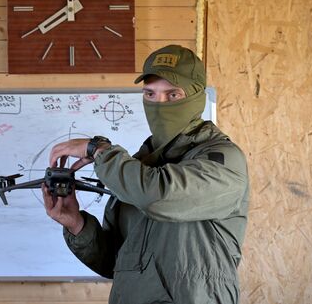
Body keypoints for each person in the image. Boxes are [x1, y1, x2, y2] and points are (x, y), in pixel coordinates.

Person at [43, 45, 249, 304]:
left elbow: (159, 196)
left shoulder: (221, 160)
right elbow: (117, 263)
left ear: (197, 97)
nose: (159, 104)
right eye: (150, 94)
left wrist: (99, 151)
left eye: (173, 95)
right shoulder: (137, 167)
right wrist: (76, 225)